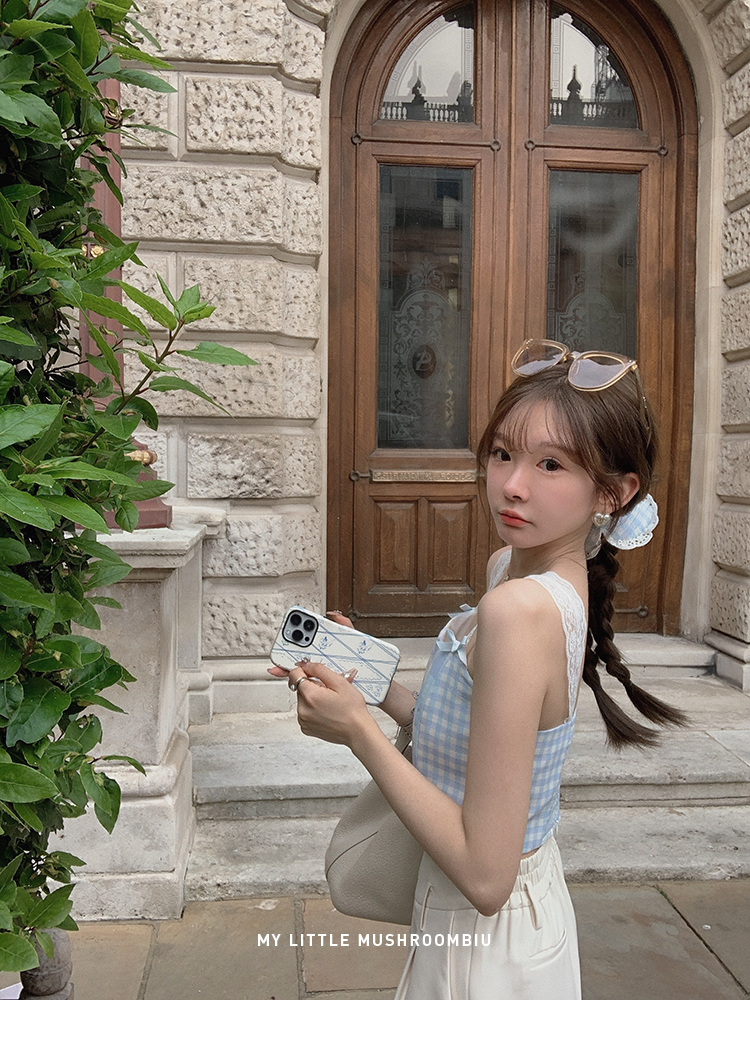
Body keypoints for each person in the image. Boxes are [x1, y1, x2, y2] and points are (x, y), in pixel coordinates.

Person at [270, 339, 687, 1000]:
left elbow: (487, 878)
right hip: (506, 922)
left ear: (613, 491)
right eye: (501, 453)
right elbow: (476, 739)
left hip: (485, 948)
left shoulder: (519, 609)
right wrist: (371, 688)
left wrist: (358, 733)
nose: (512, 485)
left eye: (550, 464)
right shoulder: (516, 574)